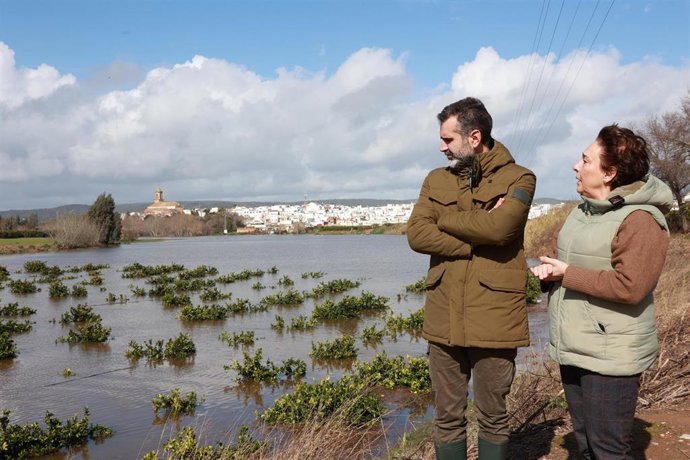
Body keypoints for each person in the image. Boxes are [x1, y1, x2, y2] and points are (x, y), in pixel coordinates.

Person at [531, 124, 673, 459]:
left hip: (611, 354)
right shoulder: (581, 212)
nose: (576, 166)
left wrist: (568, 274)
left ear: (609, 173)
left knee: (608, 447)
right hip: (575, 345)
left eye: (585, 161)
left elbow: (632, 286)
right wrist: (551, 274)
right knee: (585, 442)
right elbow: (572, 267)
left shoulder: (641, 219)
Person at [407, 97, 536, 460]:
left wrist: (443, 222)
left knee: (493, 415)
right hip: (443, 316)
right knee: (447, 416)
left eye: (448, 139)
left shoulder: (520, 177)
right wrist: (472, 242)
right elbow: (416, 235)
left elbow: (500, 230)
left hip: (495, 316)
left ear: (474, 137)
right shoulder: (435, 179)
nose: (441, 147)